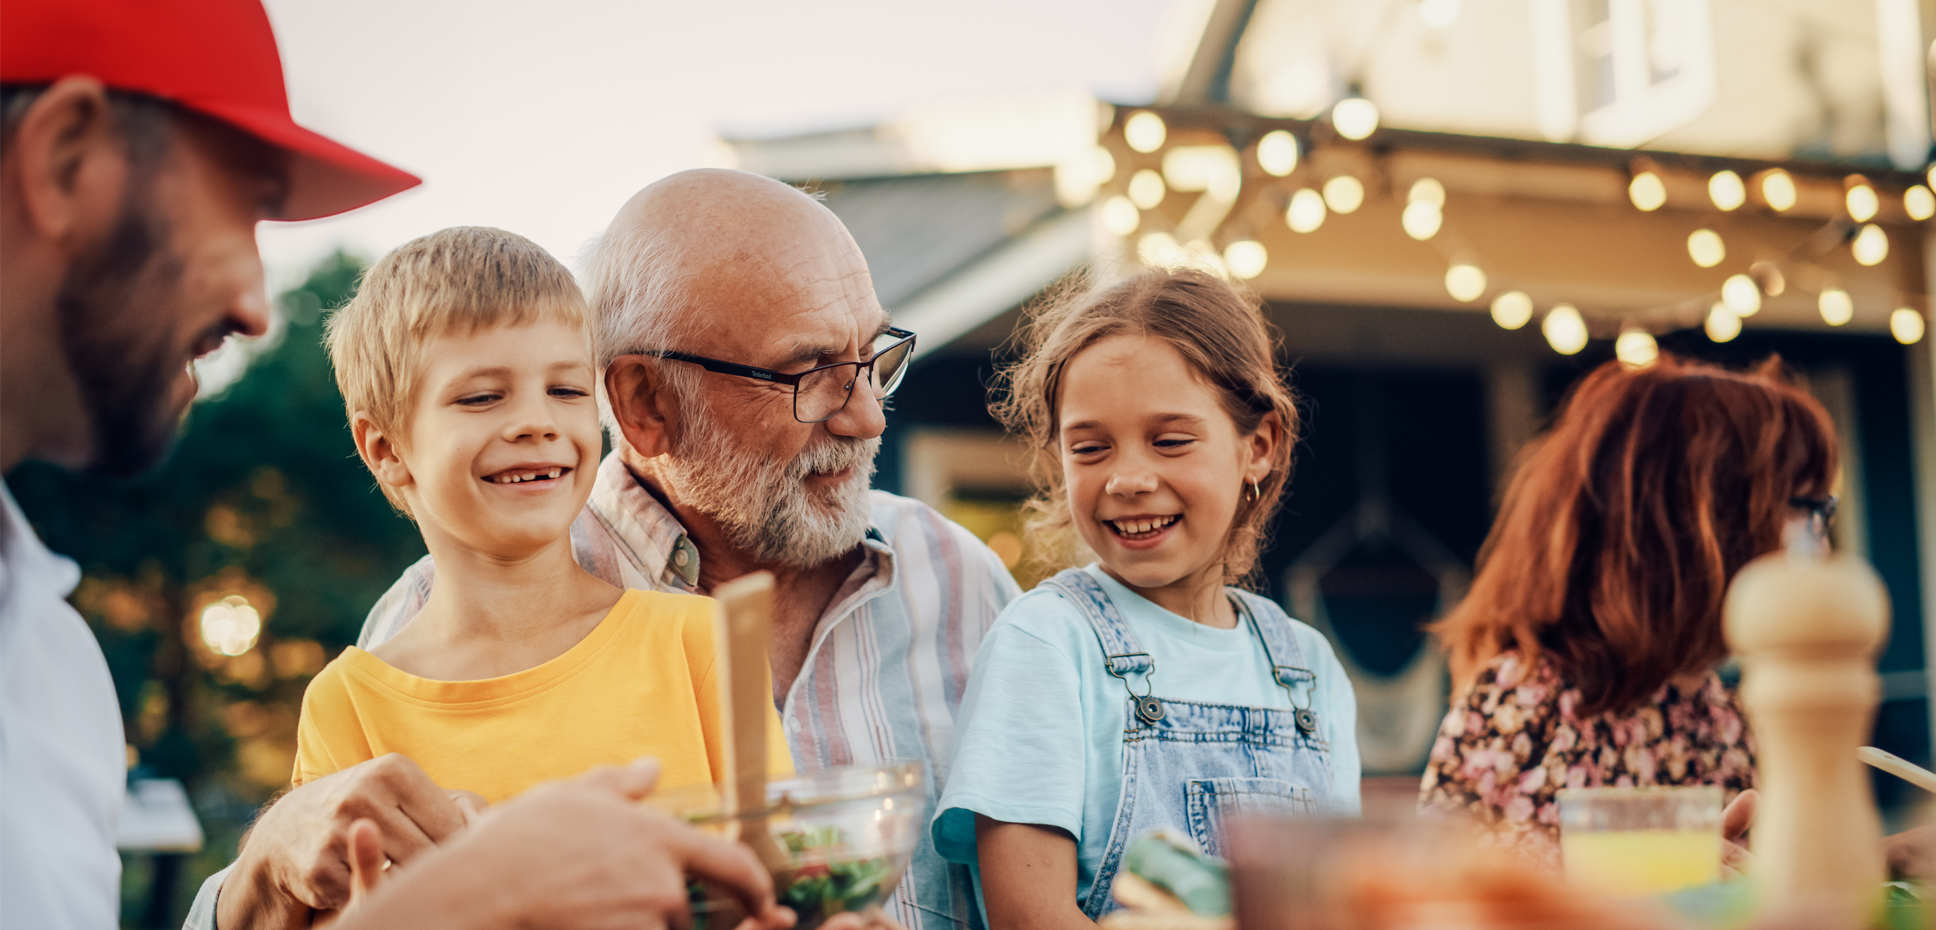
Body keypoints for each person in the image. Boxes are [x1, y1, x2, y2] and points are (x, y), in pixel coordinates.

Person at [0, 1, 787, 928]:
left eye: (565, 392)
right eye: (242, 206)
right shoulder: (347, 697)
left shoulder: (49, 660)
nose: (258, 305)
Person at [197, 168, 1022, 930]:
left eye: (874, 359)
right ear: (640, 401)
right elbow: (311, 893)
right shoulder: (379, 665)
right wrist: (266, 867)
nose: (868, 415)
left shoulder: (958, 580)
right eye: (807, 373)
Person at [296, 225, 790, 811]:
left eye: (566, 390)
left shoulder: (700, 641)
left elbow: (781, 880)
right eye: (481, 397)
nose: (538, 421)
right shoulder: (348, 707)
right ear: (386, 450)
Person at [933, 269, 1362, 927]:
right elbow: (1030, 917)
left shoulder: (1308, 672)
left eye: (1170, 441)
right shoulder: (1048, 643)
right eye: (1090, 448)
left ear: (1260, 445)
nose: (1128, 478)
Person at [1417, 356, 1837, 867]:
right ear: (1703, 526)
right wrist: (1654, 871)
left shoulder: (1722, 715)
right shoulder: (1526, 702)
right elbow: (1435, 896)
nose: (1823, 548)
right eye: (1809, 511)